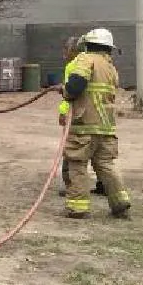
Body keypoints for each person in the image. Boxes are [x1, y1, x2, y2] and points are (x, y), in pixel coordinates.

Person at [58, 27, 131, 219]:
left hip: (84, 125)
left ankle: (77, 208)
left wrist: (65, 91)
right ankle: (120, 203)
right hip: (106, 127)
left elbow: (75, 86)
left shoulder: (85, 59)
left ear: (87, 44)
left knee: (77, 164)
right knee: (106, 165)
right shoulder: (110, 67)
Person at [57, 35, 106, 198]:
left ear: (72, 50)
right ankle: (103, 184)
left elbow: (70, 94)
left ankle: (72, 186)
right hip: (100, 117)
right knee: (100, 154)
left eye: (65, 48)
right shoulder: (100, 63)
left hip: (78, 116)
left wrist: (63, 112)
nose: (63, 52)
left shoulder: (74, 66)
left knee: (72, 153)